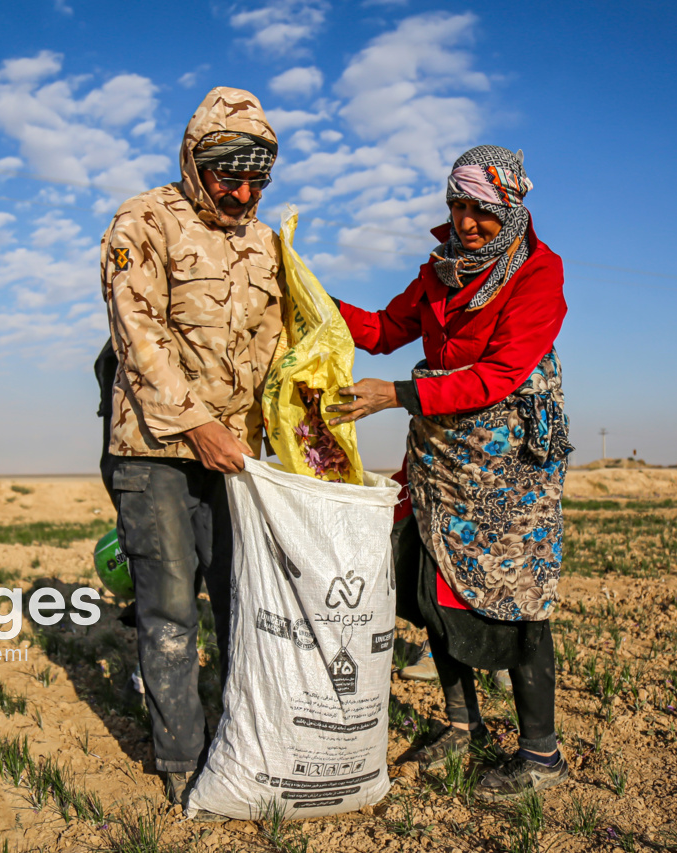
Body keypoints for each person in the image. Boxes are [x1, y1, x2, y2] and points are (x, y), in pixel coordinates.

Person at [327, 145, 573, 800]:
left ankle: (542, 757)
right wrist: (313, 300)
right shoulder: (440, 274)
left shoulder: (538, 275)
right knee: (434, 587)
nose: (466, 223)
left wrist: (398, 395)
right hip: (440, 461)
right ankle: (462, 725)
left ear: (510, 209)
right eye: (457, 207)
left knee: (516, 601)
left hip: (507, 473)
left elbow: (498, 376)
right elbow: (382, 329)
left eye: (482, 211)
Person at [98, 87, 284, 805]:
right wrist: (197, 423)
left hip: (234, 458)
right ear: (193, 160)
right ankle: (183, 764)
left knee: (243, 603)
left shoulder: (267, 243)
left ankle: (244, 749)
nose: (241, 192)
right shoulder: (142, 220)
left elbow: (277, 346)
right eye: (227, 176)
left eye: (255, 180)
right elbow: (137, 337)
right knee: (171, 608)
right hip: (154, 450)